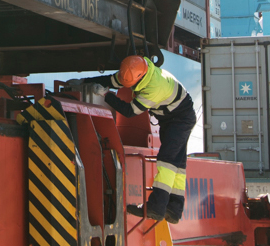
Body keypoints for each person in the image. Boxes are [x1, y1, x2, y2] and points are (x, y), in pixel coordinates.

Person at [81, 55, 196, 223]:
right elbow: (111, 80)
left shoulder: (154, 88)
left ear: (138, 80)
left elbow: (129, 111)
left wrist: (106, 95)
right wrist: (85, 81)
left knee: (167, 160)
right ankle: (174, 208)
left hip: (180, 119)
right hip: (172, 118)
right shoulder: (138, 69)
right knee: (177, 164)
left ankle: (156, 208)